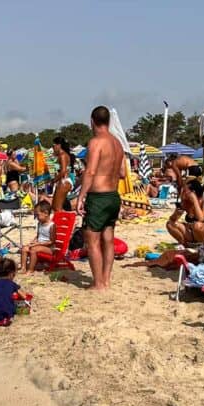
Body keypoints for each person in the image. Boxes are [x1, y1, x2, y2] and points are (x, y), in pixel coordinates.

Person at [76, 106, 123, 291]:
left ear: (92, 121)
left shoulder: (96, 142)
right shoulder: (117, 143)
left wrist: (81, 196)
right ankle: (106, 280)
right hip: (113, 195)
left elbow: (91, 171)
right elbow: (122, 173)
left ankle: (98, 284)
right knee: (108, 238)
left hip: (99, 197)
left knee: (92, 240)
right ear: (109, 121)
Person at [166, 167, 204, 245]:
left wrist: (194, 200)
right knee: (170, 224)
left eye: (186, 190)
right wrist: (176, 213)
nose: (184, 192)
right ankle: (183, 243)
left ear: (193, 192)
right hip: (191, 233)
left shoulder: (202, 201)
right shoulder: (186, 202)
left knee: (197, 226)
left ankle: (203, 246)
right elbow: (172, 220)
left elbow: (201, 219)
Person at [20, 200, 55, 273]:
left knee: (33, 250)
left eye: (37, 215)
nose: (36, 218)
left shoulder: (51, 226)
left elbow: (51, 241)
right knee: (24, 248)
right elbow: (39, 235)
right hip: (39, 245)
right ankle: (23, 268)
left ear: (46, 213)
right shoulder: (40, 223)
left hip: (49, 248)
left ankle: (31, 269)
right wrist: (34, 241)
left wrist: (37, 244)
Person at [51, 137, 75, 212]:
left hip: (64, 181)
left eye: (53, 145)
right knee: (55, 207)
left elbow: (63, 171)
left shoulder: (62, 155)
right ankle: (67, 220)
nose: (53, 148)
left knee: (57, 208)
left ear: (59, 145)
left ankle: (67, 222)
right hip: (62, 182)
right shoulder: (61, 155)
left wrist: (53, 181)